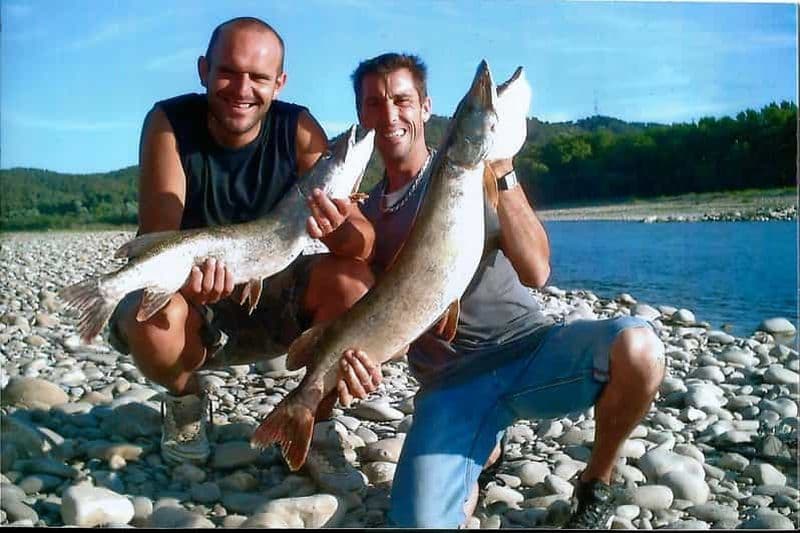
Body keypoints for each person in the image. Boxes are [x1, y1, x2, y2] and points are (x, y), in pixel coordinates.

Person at [345, 53, 666, 528]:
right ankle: (484, 452)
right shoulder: (362, 217)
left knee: (639, 346)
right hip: (449, 386)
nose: (390, 115)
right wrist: (363, 362)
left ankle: (596, 483)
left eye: (402, 100)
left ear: (426, 107)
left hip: (529, 351)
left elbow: (537, 271)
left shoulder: (477, 175)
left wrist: (503, 168)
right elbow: (379, 319)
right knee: (418, 524)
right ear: (361, 115)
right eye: (375, 103)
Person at [108, 17, 380, 467]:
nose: (242, 88)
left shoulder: (298, 128)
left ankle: (315, 417)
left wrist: (339, 227)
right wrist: (186, 285)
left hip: (272, 290)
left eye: (258, 77)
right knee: (147, 322)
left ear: (279, 83)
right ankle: (186, 400)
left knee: (354, 283)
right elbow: (158, 237)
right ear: (204, 70)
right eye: (229, 72)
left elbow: (362, 245)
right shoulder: (168, 123)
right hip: (196, 299)